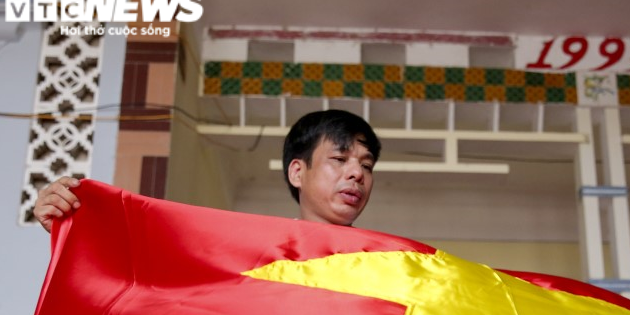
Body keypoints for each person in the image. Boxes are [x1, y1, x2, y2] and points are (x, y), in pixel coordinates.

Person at [33, 109, 381, 232]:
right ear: (297, 172)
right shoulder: (254, 250)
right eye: (340, 159)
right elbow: (145, 275)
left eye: (366, 165)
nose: (357, 174)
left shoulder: (391, 265)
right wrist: (75, 227)